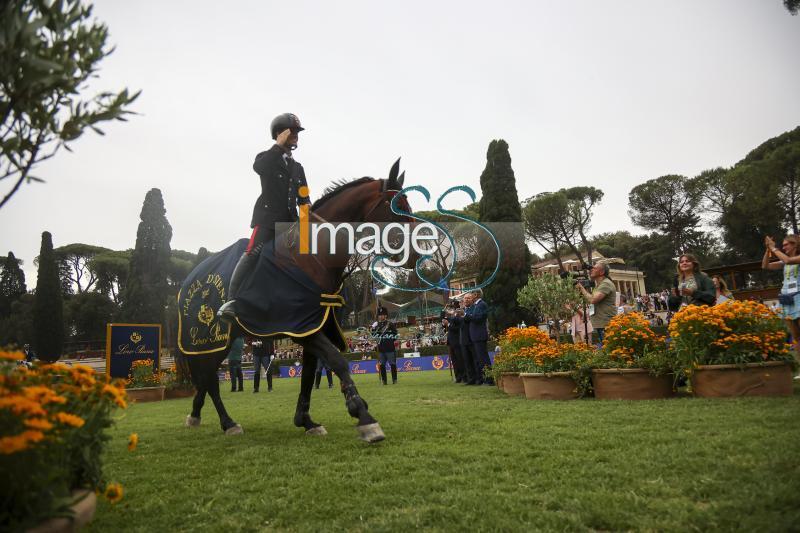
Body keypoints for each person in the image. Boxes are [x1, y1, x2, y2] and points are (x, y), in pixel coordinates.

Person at [218, 113, 311, 322]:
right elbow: (259, 168)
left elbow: (304, 198)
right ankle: (231, 301)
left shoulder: (298, 168)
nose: (296, 135)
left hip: (289, 225)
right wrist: (278, 145)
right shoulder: (266, 157)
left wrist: (307, 228)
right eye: (292, 131)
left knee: (303, 260)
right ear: (279, 133)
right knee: (251, 253)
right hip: (268, 219)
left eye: (297, 132)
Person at [762, 234, 800, 378]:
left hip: (799, 297)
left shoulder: (795, 259)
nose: (783, 247)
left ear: (795, 244)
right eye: (782, 245)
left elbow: (789, 260)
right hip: (787, 299)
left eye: (786, 245)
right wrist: (768, 250)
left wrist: (774, 247)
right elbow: (765, 266)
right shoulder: (784, 262)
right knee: (796, 337)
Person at [577, 262, 617, 346]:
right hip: (601, 323)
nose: (591, 269)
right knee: (606, 347)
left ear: (601, 272)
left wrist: (581, 288)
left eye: (594, 268)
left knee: (609, 348)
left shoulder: (606, 284)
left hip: (606, 323)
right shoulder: (599, 285)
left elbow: (593, 300)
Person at [463, 290, 493, 386]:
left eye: (471, 294)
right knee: (480, 359)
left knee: (483, 359)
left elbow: (478, 318)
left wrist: (466, 315)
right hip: (476, 336)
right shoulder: (476, 305)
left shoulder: (481, 304)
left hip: (479, 335)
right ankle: (485, 378)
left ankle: (489, 379)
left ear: (475, 295)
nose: (470, 296)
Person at [371, 307, 398, 385]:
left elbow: (395, 334)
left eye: (382, 315)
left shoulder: (390, 324)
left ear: (385, 316)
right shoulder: (377, 325)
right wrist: (373, 328)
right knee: (382, 365)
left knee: (392, 364)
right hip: (381, 348)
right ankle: (384, 381)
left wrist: (389, 340)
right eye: (380, 315)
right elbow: (374, 335)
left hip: (389, 348)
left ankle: (394, 379)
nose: (381, 316)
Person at [441, 300, 466, 383]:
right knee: (454, 361)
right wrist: (444, 309)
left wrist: (448, 324)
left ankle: (463, 377)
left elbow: (458, 328)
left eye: (451, 307)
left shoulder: (458, 315)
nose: (449, 309)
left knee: (460, 360)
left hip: (457, 340)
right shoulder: (451, 317)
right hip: (451, 341)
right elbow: (442, 318)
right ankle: (458, 377)